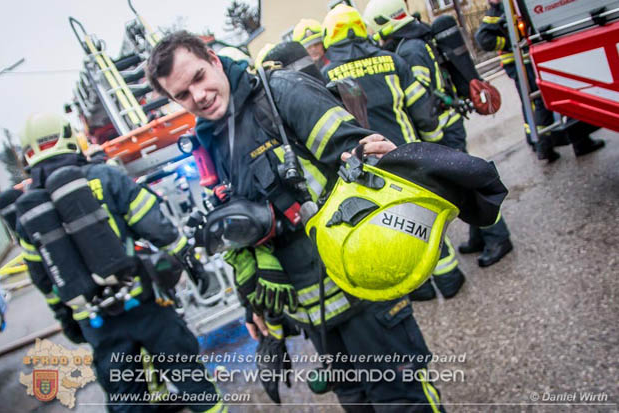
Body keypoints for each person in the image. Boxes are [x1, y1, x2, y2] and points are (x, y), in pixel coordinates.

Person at [147, 30, 445, 412]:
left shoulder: (280, 93)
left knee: (402, 401)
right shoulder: (212, 142)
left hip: (362, 290)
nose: (198, 96)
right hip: (313, 311)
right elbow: (239, 235)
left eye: (198, 78)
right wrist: (251, 305)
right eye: (182, 95)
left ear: (214, 59)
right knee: (356, 402)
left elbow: (361, 155)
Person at [16, 112, 224, 413]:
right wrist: (192, 263)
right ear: (70, 139)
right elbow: (157, 228)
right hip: (143, 304)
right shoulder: (104, 177)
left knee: (126, 399)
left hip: (97, 322)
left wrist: (68, 321)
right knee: (191, 380)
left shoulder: (28, 215)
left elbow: (44, 281)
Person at [321, 4, 465, 299]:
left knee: (390, 227)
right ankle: (450, 280)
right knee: (425, 220)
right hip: (405, 157)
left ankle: (418, 289)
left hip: (367, 170)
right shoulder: (392, 60)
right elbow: (421, 110)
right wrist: (435, 143)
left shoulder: (324, 76)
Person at [364, 0, 514, 268]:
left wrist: (430, 141)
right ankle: (478, 235)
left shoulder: (409, 50)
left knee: (466, 184)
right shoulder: (416, 38)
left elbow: (422, 100)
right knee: (460, 185)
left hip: (443, 130)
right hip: (448, 125)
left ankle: (498, 237)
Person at [475, 0, 604, 161]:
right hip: (521, 62)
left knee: (543, 99)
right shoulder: (498, 11)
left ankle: (554, 142)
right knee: (541, 101)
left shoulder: (511, 6)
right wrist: (510, 42)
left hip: (529, 58)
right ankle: (547, 145)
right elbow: (482, 38)